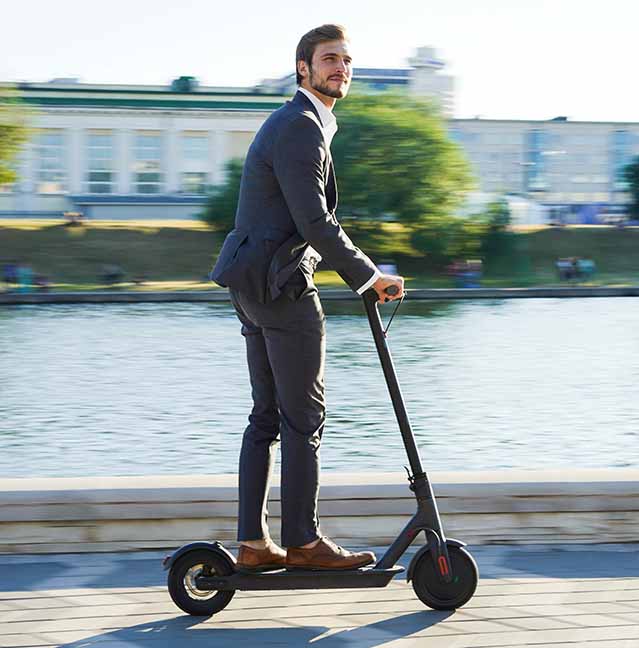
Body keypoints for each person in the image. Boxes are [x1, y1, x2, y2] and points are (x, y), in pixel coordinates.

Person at [210, 24, 404, 572]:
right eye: (328, 59)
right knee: (304, 419)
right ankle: (302, 541)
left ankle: (252, 543)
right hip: (280, 285)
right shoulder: (300, 126)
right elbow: (314, 220)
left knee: (266, 417)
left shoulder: (299, 123)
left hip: (252, 285)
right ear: (304, 68)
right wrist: (371, 277)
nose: (340, 68)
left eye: (346, 60)